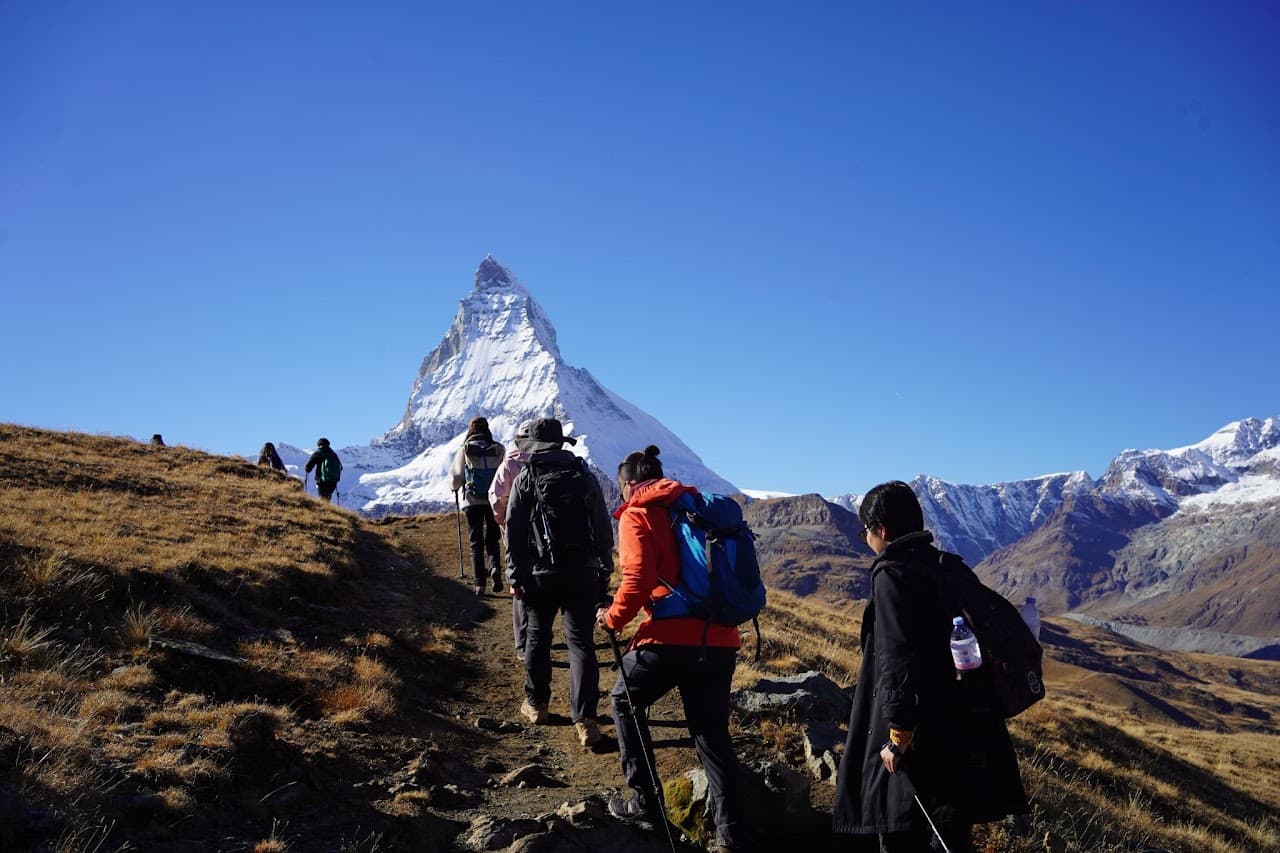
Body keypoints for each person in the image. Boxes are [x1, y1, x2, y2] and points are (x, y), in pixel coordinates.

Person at [833, 481, 1028, 852]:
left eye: (866, 532)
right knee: (950, 832)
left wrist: (898, 735)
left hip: (922, 732)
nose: (867, 539)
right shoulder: (943, 566)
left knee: (903, 830)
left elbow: (896, 658)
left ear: (882, 531)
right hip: (963, 721)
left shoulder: (891, 575)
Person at [596, 446, 749, 852]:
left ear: (628, 483)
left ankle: (645, 802)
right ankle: (731, 835)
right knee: (711, 734)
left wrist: (612, 618)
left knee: (624, 700)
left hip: (671, 637)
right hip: (719, 638)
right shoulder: (696, 507)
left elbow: (639, 577)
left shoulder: (637, 513)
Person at [505, 418, 613, 748]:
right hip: (582, 571)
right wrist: (604, 568)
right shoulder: (583, 475)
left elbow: (514, 532)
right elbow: (602, 525)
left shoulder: (526, 478)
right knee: (581, 642)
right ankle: (586, 722)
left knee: (537, 635)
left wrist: (515, 575)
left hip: (540, 575)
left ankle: (537, 705)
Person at [490, 419, 535, 662]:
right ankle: (539, 635)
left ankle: (522, 642)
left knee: (519, 585)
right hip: (545, 538)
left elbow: (497, 500)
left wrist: (505, 523)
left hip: (516, 533)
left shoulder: (509, 464)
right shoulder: (544, 462)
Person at [451, 417, 506, 596]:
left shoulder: (465, 449)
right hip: (493, 500)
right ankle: (494, 567)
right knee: (492, 538)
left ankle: (479, 584)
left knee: (476, 542)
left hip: (472, 501)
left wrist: (454, 487)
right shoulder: (498, 449)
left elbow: (457, 476)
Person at [304, 438, 342, 503]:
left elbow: (309, 466)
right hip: (333, 480)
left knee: (322, 497)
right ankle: (328, 509)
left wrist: (307, 469)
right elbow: (340, 467)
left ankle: (323, 510)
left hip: (322, 480)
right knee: (328, 496)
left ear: (319, 445)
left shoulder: (318, 452)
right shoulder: (333, 454)